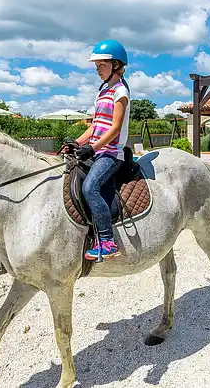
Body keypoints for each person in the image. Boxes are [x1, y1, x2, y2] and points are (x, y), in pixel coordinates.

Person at [69, 39, 131, 260]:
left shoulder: (120, 92)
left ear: (115, 64)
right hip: (96, 150)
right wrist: (77, 144)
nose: (97, 70)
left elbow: (114, 128)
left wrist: (92, 149)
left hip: (111, 154)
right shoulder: (102, 92)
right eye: (96, 67)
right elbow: (95, 125)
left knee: (90, 188)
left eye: (101, 66)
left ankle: (107, 241)